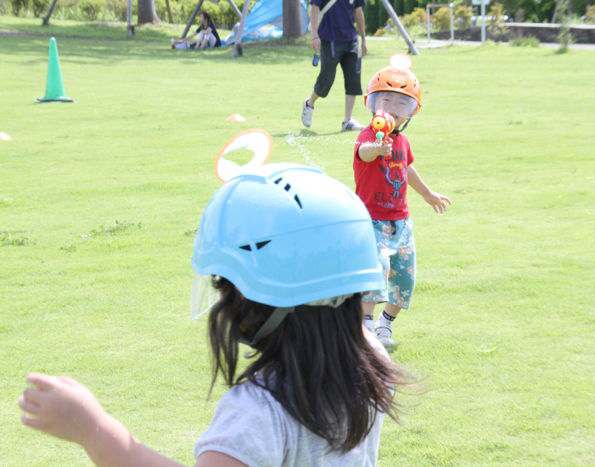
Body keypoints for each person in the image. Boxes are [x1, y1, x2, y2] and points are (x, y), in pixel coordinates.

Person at [18, 164, 404, 465]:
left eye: (226, 283)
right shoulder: (369, 359)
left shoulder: (260, 411)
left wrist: (95, 431)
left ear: (262, 298)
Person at [354, 65, 452, 352]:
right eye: (385, 100)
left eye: (401, 103)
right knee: (377, 270)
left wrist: (428, 194)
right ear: (372, 105)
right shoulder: (367, 137)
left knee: (404, 277)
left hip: (401, 222)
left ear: (411, 111)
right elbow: (363, 153)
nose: (392, 109)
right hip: (372, 221)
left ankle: (386, 323)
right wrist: (376, 148)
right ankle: (366, 325)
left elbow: (407, 169)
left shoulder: (403, 141)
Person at [301, 0, 368, 132]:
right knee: (327, 79)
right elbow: (314, 8)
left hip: (351, 40)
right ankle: (309, 103)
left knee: (353, 81)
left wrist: (364, 39)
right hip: (329, 39)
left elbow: (358, 12)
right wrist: (314, 35)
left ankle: (347, 121)